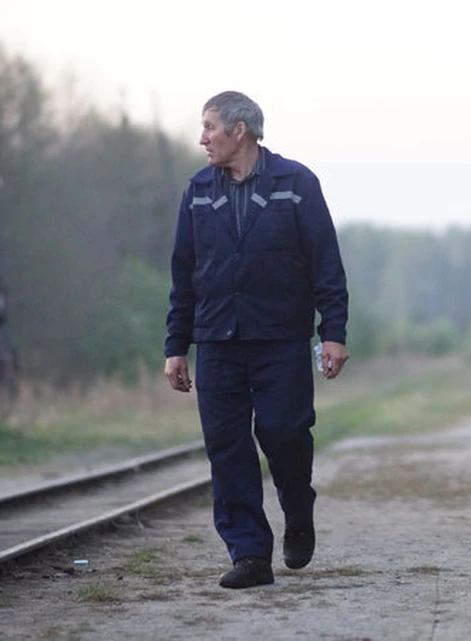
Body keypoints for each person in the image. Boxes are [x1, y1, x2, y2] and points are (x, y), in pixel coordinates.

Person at [164, 91, 349, 589]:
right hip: (218, 340)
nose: (202, 137)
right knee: (226, 447)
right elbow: (184, 274)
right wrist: (176, 346)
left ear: (238, 130)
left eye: (210, 127)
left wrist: (333, 332)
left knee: (283, 433)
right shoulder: (199, 190)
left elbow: (326, 264)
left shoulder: (296, 184)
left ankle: (297, 504)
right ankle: (249, 554)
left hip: (281, 338)